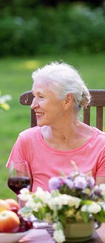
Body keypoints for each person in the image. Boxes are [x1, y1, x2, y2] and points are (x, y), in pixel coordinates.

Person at [7, 62, 105, 191]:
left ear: (67, 100)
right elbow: (24, 202)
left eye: (41, 97)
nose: (33, 105)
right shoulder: (26, 141)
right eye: (34, 96)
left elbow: (100, 205)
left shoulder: (101, 146)